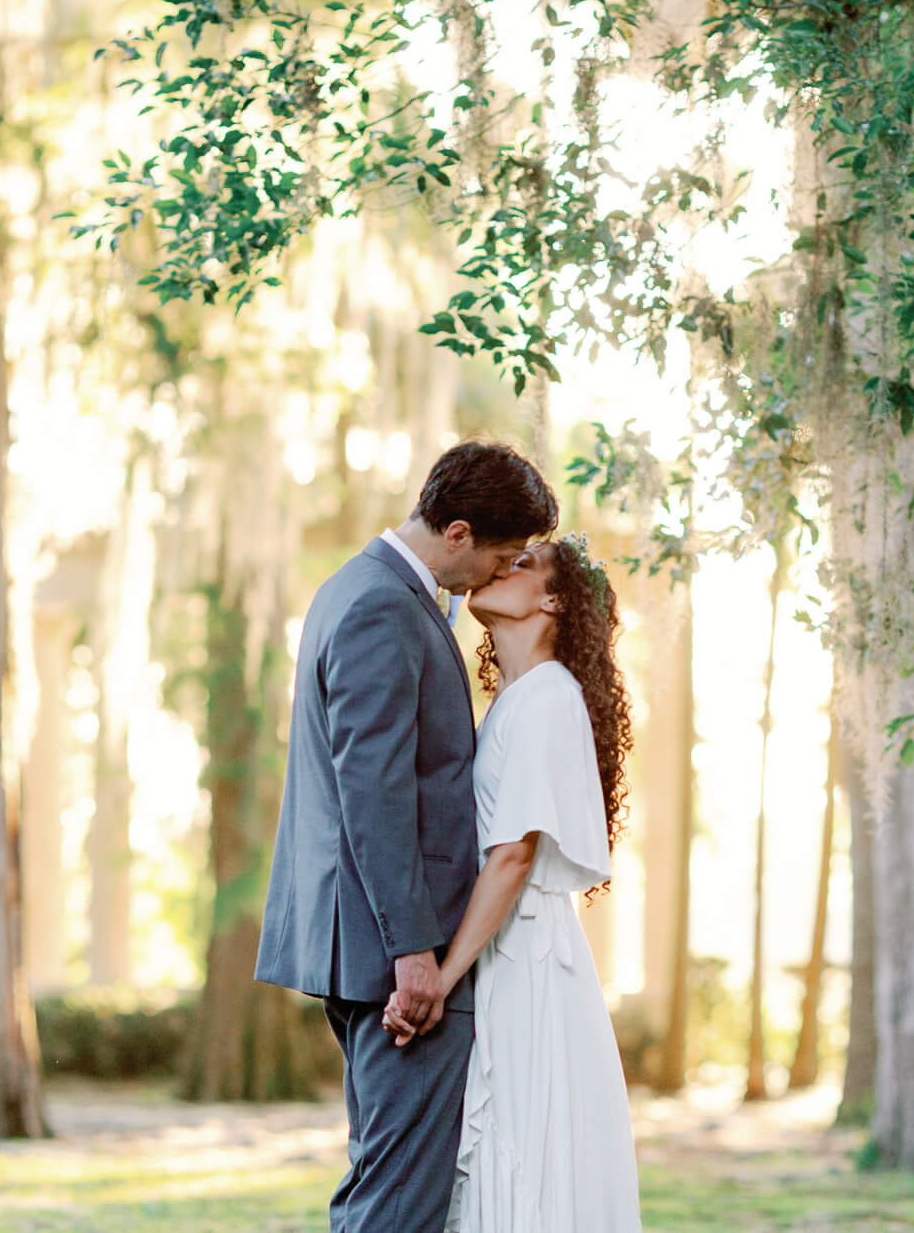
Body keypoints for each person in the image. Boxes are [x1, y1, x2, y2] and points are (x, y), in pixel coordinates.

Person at [255, 440, 559, 1233]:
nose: (501, 573)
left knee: (385, 1184)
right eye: (501, 555)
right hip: (397, 962)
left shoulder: (355, 587)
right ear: (457, 532)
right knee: (398, 1207)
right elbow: (374, 789)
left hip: (371, 948)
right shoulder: (384, 606)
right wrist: (415, 952)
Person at [382, 531, 644, 1233]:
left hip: (525, 958)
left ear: (553, 599)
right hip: (510, 952)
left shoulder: (547, 699)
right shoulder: (518, 699)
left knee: (527, 1158)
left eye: (521, 564)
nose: (500, 567)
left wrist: (441, 972)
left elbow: (513, 856)